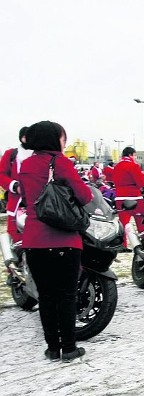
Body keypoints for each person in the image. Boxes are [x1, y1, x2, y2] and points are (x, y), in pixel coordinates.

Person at [17, 121, 93, 362]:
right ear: (54, 139)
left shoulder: (26, 165)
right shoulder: (60, 163)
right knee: (67, 295)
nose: (65, 141)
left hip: (34, 240)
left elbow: (27, 198)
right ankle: (69, 347)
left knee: (46, 296)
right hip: (64, 240)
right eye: (63, 137)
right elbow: (85, 195)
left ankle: (52, 347)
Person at [0, 126, 33, 241]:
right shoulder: (11, 154)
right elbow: (1, 175)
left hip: (38, 204)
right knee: (16, 237)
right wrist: (15, 186)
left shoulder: (40, 154)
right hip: (17, 203)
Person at [112, 146, 144, 248]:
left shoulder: (116, 166)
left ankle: (123, 245)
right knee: (140, 221)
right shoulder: (133, 166)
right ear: (131, 155)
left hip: (120, 197)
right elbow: (141, 182)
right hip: (134, 196)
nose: (135, 158)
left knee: (123, 223)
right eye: (135, 155)